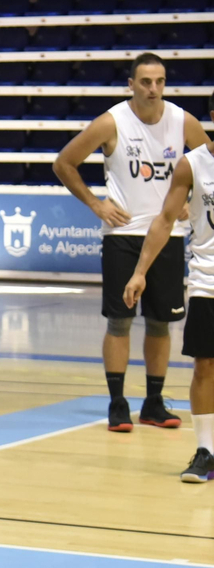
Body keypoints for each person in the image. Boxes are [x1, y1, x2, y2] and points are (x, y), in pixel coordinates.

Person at [54, 53, 210, 432]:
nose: (153, 88)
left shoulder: (182, 120)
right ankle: (118, 403)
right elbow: (64, 163)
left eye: (159, 81)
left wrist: (190, 201)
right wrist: (95, 203)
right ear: (131, 84)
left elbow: (207, 164)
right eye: (145, 81)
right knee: (119, 322)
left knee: (161, 324)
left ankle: (154, 402)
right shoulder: (112, 122)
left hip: (169, 238)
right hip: (123, 236)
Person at [123, 141, 214, 483]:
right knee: (205, 365)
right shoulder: (192, 165)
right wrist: (140, 271)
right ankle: (206, 451)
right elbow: (164, 220)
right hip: (208, 280)